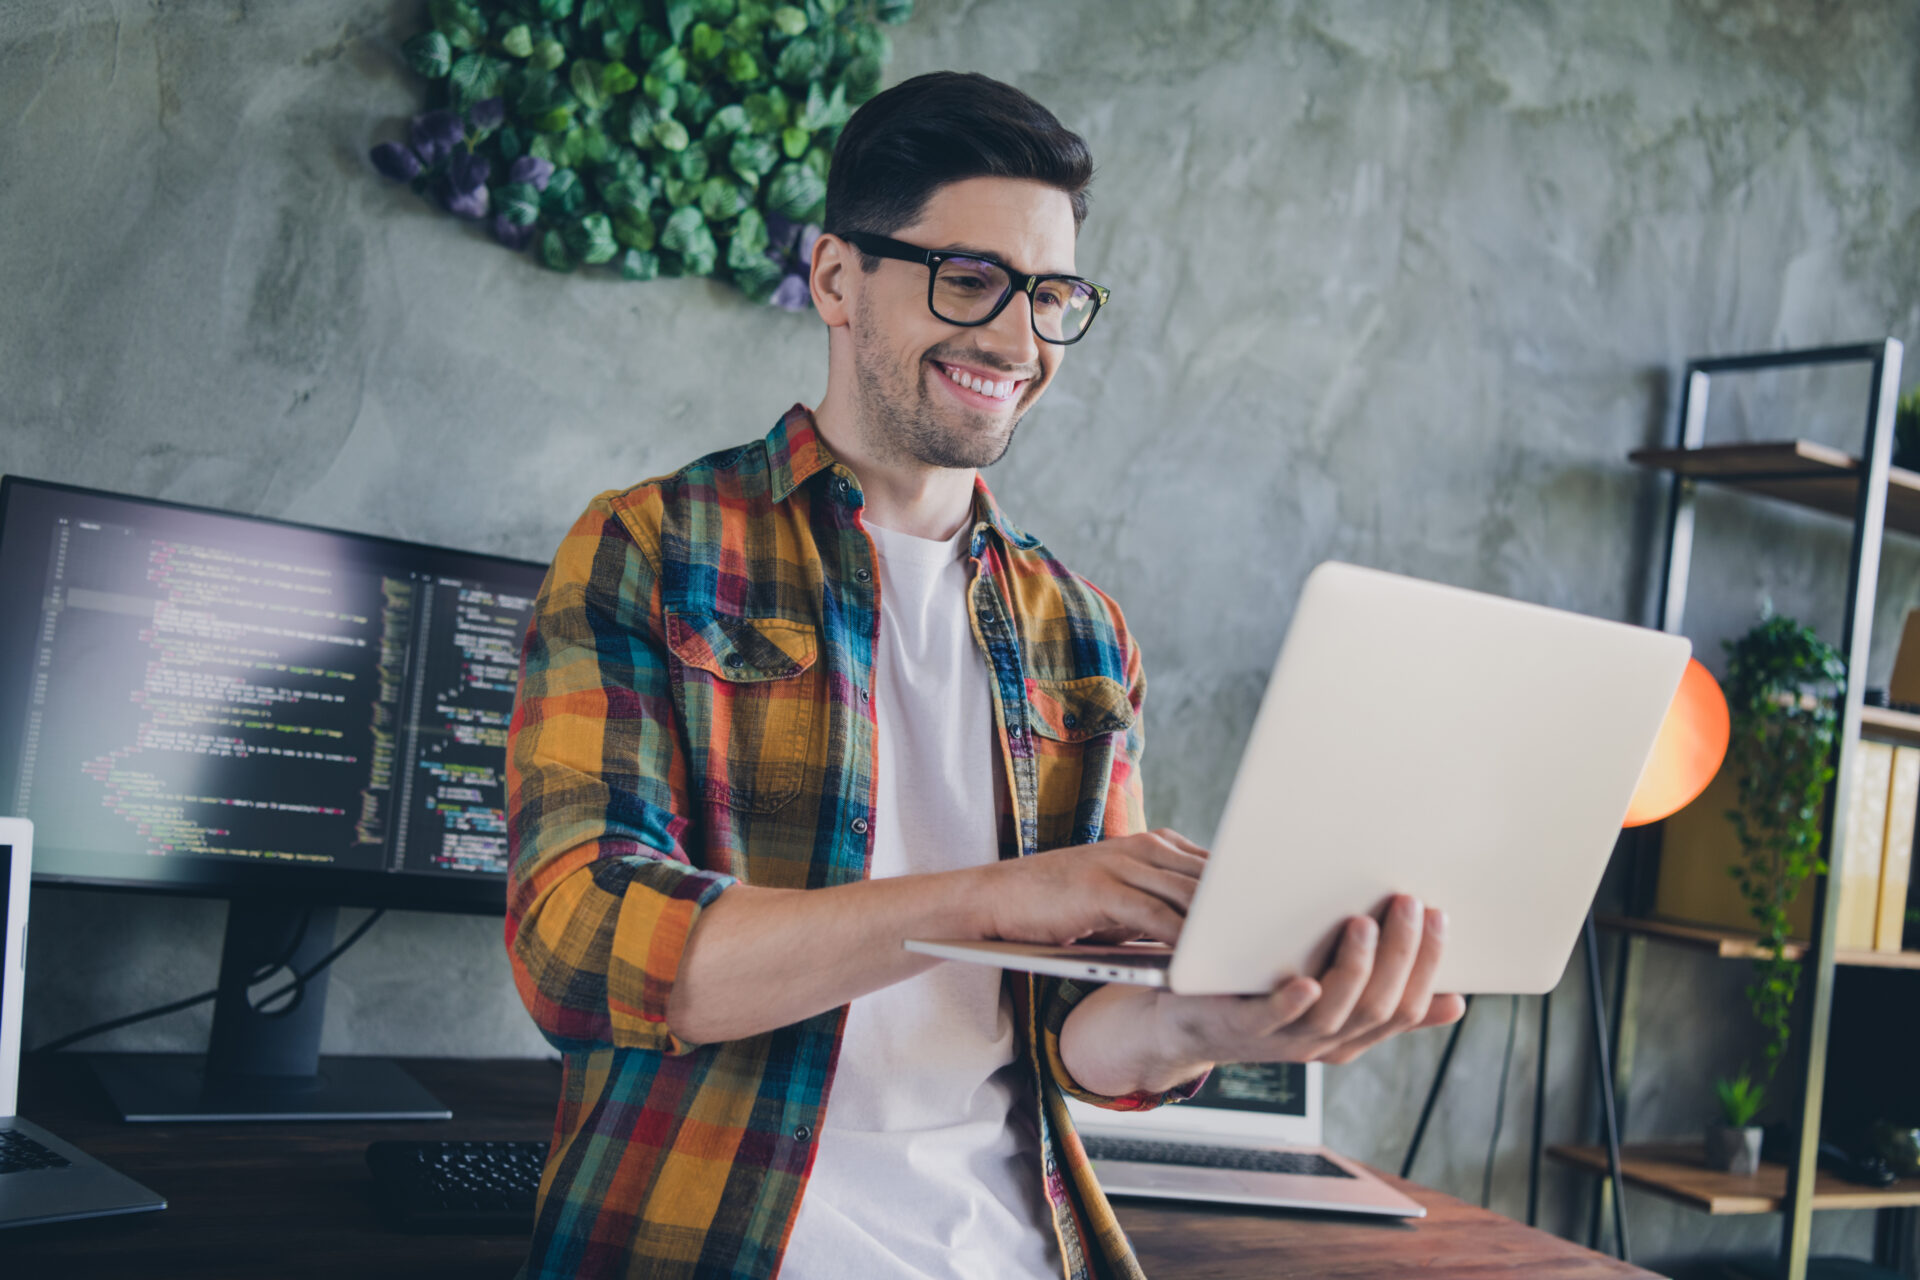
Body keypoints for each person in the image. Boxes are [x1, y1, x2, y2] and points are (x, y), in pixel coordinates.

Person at [504, 69, 1466, 1280]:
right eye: (971, 280)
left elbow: (1077, 1033)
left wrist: (1205, 1020)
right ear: (838, 279)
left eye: (1051, 294)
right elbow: (579, 946)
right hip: (715, 1242)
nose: (1018, 340)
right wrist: (985, 902)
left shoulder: (1080, 629)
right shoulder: (653, 547)